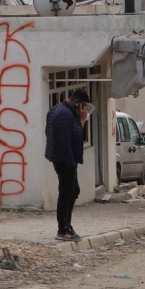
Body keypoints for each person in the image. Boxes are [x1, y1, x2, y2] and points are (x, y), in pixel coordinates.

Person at [45, 89, 91, 242]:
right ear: (77, 101)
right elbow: (67, 140)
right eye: (82, 105)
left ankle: (67, 225)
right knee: (66, 193)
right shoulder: (64, 114)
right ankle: (63, 229)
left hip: (63, 158)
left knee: (73, 191)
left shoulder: (59, 111)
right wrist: (82, 121)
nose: (83, 108)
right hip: (65, 160)